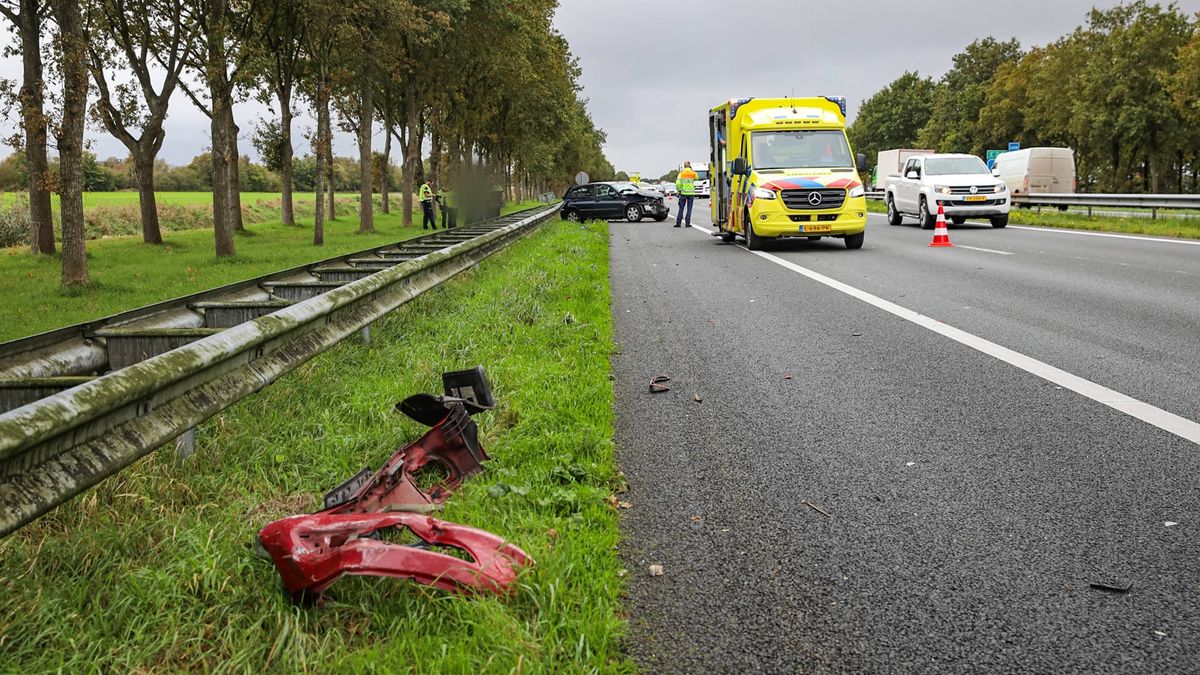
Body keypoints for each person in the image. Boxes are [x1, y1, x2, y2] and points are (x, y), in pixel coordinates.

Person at [674, 161, 697, 228]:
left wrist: (679, 190)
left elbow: (678, 183)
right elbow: (697, 178)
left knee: (681, 208)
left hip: (683, 193)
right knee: (689, 208)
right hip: (691, 193)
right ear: (690, 166)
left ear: (684, 166)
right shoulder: (693, 173)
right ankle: (687, 223)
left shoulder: (681, 174)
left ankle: (678, 223)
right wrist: (692, 170)